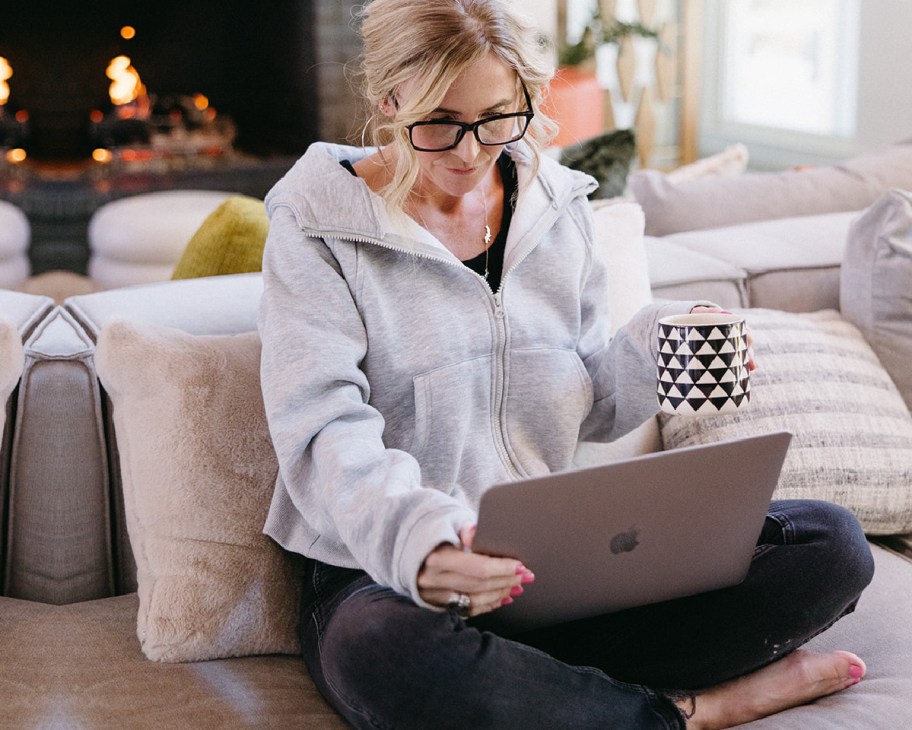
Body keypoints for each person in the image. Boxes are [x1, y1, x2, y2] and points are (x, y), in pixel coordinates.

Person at [257, 1, 874, 726]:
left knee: (831, 544)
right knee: (381, 652)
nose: (469, 151)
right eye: (439, 122)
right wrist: (417, 543)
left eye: (496, 118)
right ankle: (685, 713)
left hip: (546, 562)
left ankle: (540, 694)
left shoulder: (557, 208)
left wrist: (656, 344)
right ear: (388, 100)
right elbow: (324, 429)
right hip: (385, 571)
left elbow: (593, 401)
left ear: (525, 100)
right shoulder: (316, 228)